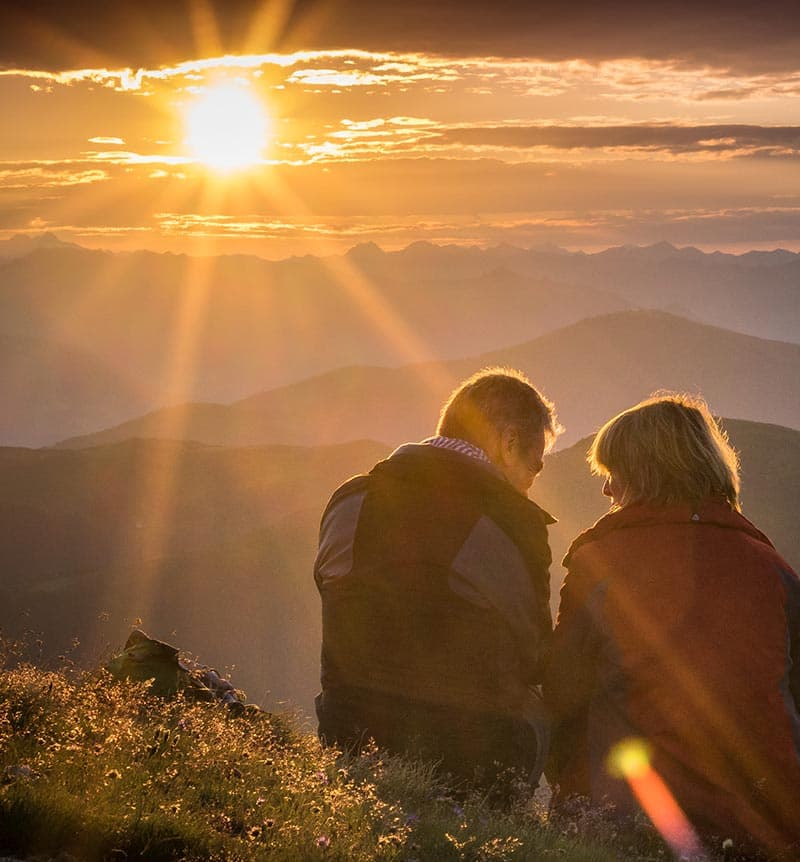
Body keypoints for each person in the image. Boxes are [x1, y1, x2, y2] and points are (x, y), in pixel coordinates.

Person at [544, 394, 800, 854]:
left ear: (645, 473)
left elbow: (563, 689)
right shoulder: (773, 569)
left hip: (634, 819)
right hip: (768, 819)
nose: (606, 490)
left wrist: (570, 791)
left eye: (612, 473)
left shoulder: (601, 563)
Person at [314, 367, 561, 786]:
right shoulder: (512, 523)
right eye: (533, 468)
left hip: (348, 732)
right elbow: (534, 653)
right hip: (466, 755)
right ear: (509, 443)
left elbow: (331, 591)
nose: (529, 486)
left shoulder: (352, 497)